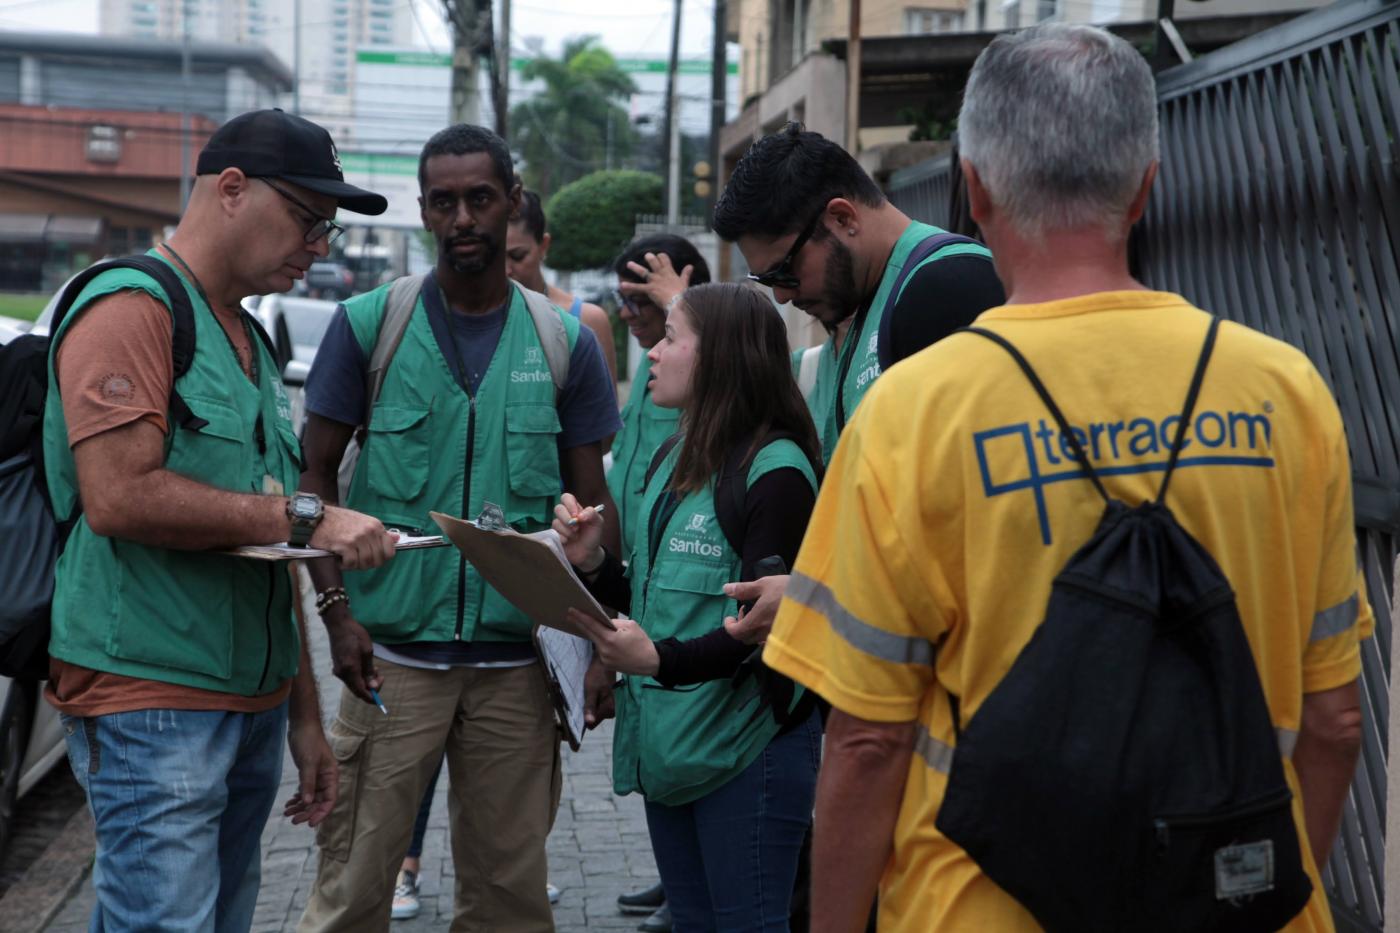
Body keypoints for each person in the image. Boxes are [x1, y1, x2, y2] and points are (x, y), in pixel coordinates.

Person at [762, 23, 1371, 932]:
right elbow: (1334, 724)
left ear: (972, 187)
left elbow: (866, 739)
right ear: (1146, 187)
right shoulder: (1288, 393)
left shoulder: (914, 411)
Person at [42, 108, 397, 931]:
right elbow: (119, 495)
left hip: (249, 704)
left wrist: (303, 718)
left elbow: (265, 547)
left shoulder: (249, 339)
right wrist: (312, 514)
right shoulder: (133, 307)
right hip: (150, 697)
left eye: (327, 230)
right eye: (308, 220)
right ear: (231, 189)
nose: (317, 246)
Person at [295, 123, 622, 932]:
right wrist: (336, 620)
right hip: (391, 664)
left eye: (481, 199)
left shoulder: (563, 343)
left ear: (512, 203)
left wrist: (600, 647)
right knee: (352, 891)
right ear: (425, 210)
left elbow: (597, 519)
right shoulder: (370, 325)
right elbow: (314, 482)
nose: (464, 218)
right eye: (445, 203)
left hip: (518, 668)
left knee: (508, 901)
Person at [555, 282, 824, 932]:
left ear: (721, 356)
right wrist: (594, 562)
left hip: (745, 751)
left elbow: (765, 628)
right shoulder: (674, 454)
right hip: (672, 746)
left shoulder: (777, 470)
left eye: (671, 338)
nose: (650, 351)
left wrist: (657, 659)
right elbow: (649, 596)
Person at [709, 122, 1006, 642]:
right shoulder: (860, 315)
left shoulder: (945, 288)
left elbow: (974, 521)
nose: (781, 297)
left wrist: (812, 592)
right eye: (766, 281)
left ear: (842, 218)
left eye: (784, 272)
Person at [607, 234, 711, 559]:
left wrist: (679, 300)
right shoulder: (650, 363)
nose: (625, 314)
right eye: (621, 299)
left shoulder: (705, 367)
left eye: (639, 300)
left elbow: (725, 350)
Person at [507, 187, 620, 387]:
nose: (506, 270)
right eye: (494, 258)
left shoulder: (586, 320)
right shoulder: (477, 321)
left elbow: (605, 415)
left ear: (544, 246)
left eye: (517, 256)